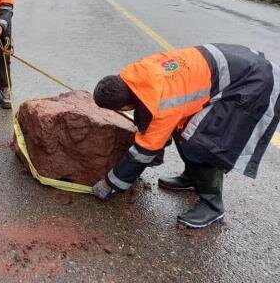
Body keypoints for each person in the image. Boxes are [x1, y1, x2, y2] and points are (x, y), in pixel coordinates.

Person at [91, 44, 280, 229]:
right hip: (236, 68)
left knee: (203, 144)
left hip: (252, 83)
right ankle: (193, 177)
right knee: (183, 128)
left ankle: (212, 206)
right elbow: (151, 125)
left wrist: (109, 184)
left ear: (124, 107)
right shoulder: (135, 75)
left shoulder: (162, 103)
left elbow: (145, 149)